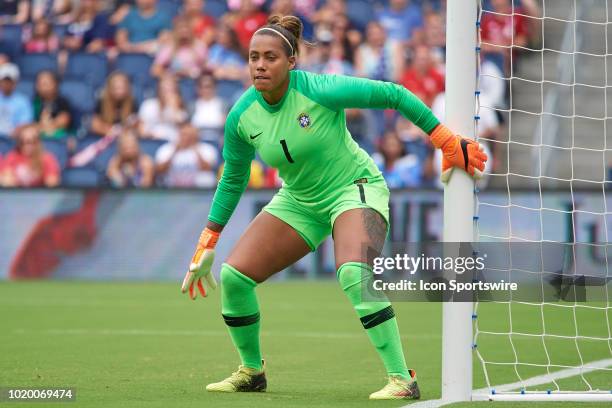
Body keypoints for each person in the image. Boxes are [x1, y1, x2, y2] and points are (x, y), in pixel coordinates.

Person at [180, 14, 487, 400]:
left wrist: (443, 139)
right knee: (234, 278)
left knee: (353, 272)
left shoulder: (321, 89)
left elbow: (393, 94)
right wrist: (209, 238)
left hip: (355, 188)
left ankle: (402, 380)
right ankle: (251, 371)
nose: (260, 64)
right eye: (253, 56)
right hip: (299, 200)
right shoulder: (242, 116)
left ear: (291, 61)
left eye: (270, 57)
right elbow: (233, 179)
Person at [155, 122, 218, 187]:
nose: (186, 137)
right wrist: (174, 152)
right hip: (172, 186)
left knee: (206, 179)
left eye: (189, 135)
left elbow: (207, 169)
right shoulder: (167, 148)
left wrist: (196, 151)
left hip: (197, 188)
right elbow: (160, 170)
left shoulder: (207, 148)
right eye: (184, 134)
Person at [151, 15, 208, 79]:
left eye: (186, 28)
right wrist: (169, 76)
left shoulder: (199, 46)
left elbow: (205, 68)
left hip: (194, 81)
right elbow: (155, 70)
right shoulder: (169, 47)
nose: (184, 31)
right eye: (181, 28)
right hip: (175, 80)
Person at [138, 74, 187, 141]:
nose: (167, 91)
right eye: (164, 88)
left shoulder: (181, 108)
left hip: (172, 143)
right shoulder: (149, 104)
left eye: (171, 88)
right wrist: (149, 134)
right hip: (152, 140)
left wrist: (173, 107)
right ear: (159, 89)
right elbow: (141, 128)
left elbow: (182, 128)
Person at [91, 71, 137, 136]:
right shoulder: (101, 101)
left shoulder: (132, 101)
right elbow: (95, 125)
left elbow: (136, 124)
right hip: (105, 138)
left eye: (122, 88)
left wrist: (124, 130)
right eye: (117, 88)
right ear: (110, 88)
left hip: (124, 138)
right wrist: (110, 130)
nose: (120, 91)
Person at [33, 70, 72, 139]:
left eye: (46, 83)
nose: (43, 87)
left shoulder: (62, 102)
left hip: (59, 135)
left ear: (55, 84)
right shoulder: (34, 102)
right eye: (40, 84)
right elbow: (30, 124)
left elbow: (64, 120)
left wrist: (48, 126)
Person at [0, 63, 33, 137]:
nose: (6, 84)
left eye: (9, 81)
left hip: (13, 140)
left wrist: (16, 132)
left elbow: (25, 123)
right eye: (4, 81)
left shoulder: (23, 101)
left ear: (15, 83)